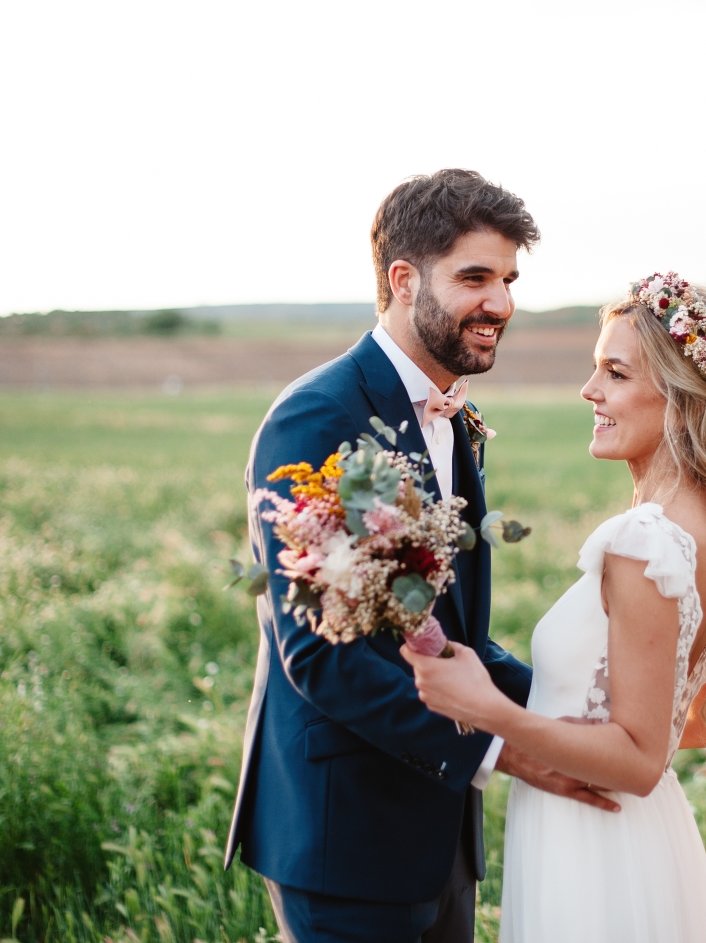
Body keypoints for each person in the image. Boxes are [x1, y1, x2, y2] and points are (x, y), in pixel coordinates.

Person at [225, 169, 618, 943]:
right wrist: (506, 751)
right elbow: (321, 655)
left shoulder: (453, 416)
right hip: (346, 834)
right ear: (404, 280)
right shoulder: (319, 417)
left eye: (508, 278)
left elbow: (447, 632)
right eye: (475, 277)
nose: (500, 303)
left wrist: (579, 721)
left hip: (442, 835)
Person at [405, 275, 706, 943]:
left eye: (614, 373)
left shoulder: (645, 542)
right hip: (614, 837)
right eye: (596, 370)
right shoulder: (697, 527)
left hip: (597, 853)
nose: (590, 392)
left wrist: (487, 710)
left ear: (681, 400)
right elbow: (686, 726)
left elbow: (642, 759)